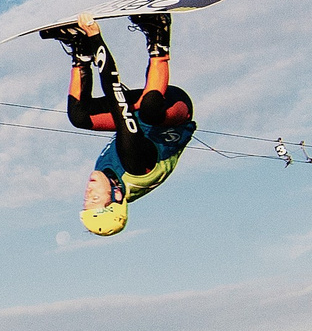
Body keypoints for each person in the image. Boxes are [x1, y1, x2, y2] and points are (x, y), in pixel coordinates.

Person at [41, 12, 196, 236]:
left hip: (136, 117)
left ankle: (79, 49)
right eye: (95, 197)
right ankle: (158, 31)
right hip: (174, 111)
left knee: (79, 117)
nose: (88, 191)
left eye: (86, 200)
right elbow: (115, 94)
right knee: (151, 109)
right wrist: (95, 36)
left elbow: (119, 105)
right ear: (116, 196)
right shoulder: (134, 166)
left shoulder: (105, 175)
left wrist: (88, 48)